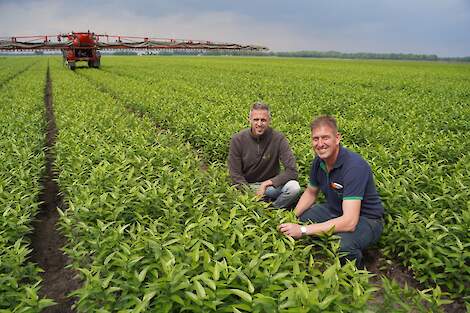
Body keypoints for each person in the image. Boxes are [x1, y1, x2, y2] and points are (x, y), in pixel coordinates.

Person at [278, 115, 384, 268]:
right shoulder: (319, 162)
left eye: (325, 138)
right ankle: (318, 252)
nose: (320, 144)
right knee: (303, 217)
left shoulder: (354, 167)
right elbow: (311, 192)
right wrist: (293, 217)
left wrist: (302, 230)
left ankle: (354, 275)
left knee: (342, 245)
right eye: (315, 139)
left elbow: (349, 222)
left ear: (337, 138)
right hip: (336, 209)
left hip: (366, 219)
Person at [228, 102, 300, 208]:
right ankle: (257, 207)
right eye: (256, 120)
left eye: (263, 120)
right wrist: (250, 194)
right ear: (249, 120)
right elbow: (235, 174)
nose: (259, 124)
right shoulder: (238, 139)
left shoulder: (278, 138)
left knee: (294, 188)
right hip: (248, 185)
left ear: (269, 121)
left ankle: (272, 210)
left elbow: (292, 171)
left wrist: (266, 184)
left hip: (271, 186)